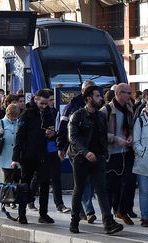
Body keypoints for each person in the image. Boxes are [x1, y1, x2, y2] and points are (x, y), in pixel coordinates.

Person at [68, 85, 124, 234]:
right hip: (80, 158)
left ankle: (108, 223)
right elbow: (73, 138)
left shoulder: (100, 116)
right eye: (97, 96)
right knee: (79, 189)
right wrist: (86, 153)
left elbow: (103, 136)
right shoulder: (77, 115)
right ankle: (74, 222)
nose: (100, 98)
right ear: (88, 98)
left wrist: (103, 153)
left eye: (100, 96)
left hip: (98, 158)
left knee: (101, 190)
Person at [12, 89, 55, 224]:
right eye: (42, 103)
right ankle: (22, 214)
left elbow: (54, 131)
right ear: (36, 99)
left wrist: (53, 134)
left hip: (43, 154)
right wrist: (15, 157)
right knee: (25, 185)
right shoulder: (27, 114)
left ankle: (43, 214)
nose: (44, 106)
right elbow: (19, 136)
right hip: (28, 155)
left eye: (46, 104)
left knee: (44, 184)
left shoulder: (48, 113)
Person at [57, 80, 97, 222]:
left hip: (92, 149)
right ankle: (89, 210)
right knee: (83, 180)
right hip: (76, 149)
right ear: (82, 91)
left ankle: (80, 210)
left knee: (88, 182)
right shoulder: (72, 105)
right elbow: (63, 126)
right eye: (87, 90)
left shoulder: (97, 106)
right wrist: (61, 146)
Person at [100, 83, 136, 224]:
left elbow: (132, 127)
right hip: (112, 153)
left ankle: (122, 210)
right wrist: (116, 139)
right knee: (111, 185)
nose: (130, 95)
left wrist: (131, 136)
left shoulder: (129, 108)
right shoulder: (106, 110)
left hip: (127, 152)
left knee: (130, 182)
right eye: (128, 93)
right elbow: (100, 133)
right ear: (119, 93)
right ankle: (107, 216)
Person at [132, 99, 148, 227]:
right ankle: (145, 217)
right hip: (143, 162)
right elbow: (135, 142)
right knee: (144, 191)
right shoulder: (140, 121)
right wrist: (142, 153)